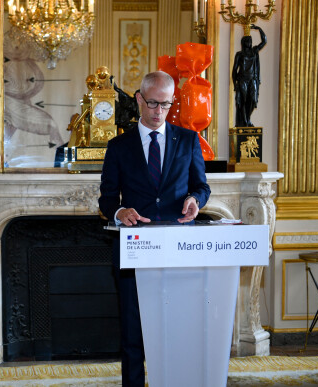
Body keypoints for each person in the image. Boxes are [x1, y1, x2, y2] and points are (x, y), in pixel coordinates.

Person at [98, 71, 210, 387]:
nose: (158, 111)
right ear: (138, 99)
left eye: (165, 104)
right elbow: (106, 198)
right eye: (152, 103)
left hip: (177, 249)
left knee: (175, 330)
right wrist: (120, 211)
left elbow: (202, 186)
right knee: (133, 332)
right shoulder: (118, 146)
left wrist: (194, 200)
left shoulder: (188, 140)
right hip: (134, 251)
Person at [232, 25, 267, 127]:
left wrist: (259, 29)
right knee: (243, 100)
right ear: (243, 43)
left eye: (250, 41)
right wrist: (235, 83)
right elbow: (234, 70)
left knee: (252, 100)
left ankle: (247, 118)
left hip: (252, 80)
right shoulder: (239, 54)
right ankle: (246, 121)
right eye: (248, 41)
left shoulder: (254, 51)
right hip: (242, 80)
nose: (250, 43)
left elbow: (264, 41)